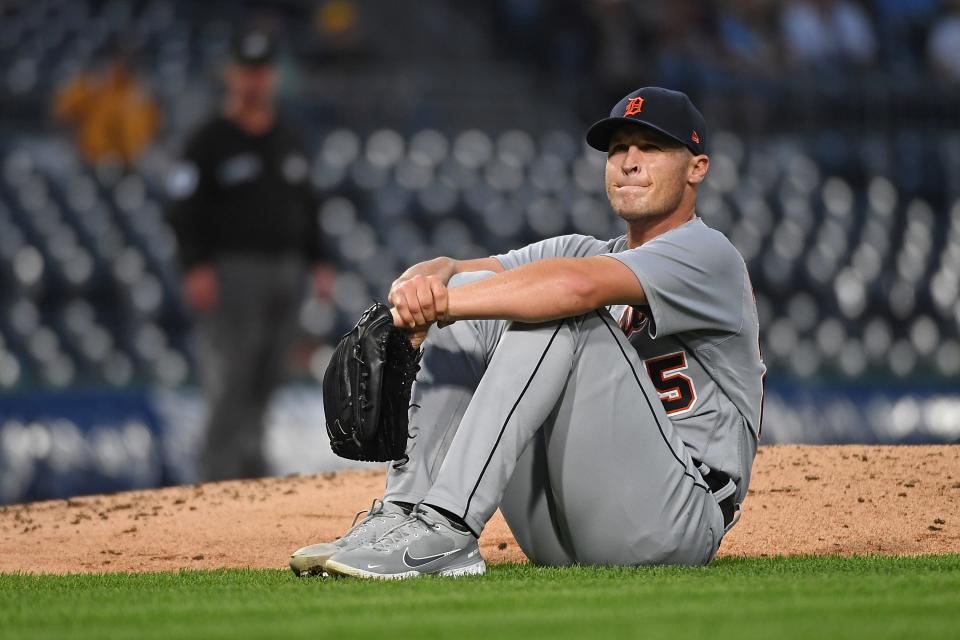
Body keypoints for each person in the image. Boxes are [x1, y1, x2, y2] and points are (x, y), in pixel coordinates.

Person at [290, 87, 764, 578]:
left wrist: (445, 304)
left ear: (697, 167)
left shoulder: (709, 255)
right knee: (484, 295)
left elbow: (573, 288)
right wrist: (426, 279)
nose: (629, 161)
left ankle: (448, 525)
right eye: (619, 148)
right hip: (566, 522)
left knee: (556, 310)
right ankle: (401, 516)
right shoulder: (588, 249)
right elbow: (457, 274)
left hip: (678, 517)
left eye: (651, 147)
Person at [166, 30, 330, 481]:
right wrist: (195, 265)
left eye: (262, 71)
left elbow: (309, 204)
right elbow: (182, 209)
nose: (255, 81)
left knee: (268, 377)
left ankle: (252, 477)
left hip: (286, 271)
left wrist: (319, 261)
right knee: (230, 380)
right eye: (247, 71)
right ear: (232, 75)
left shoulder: (290, 137)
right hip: (231, 273)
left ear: (273, 77)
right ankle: (216, 476)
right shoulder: (209, 140)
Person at [54, 47, 159, 166]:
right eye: (117, 61)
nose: (120, 66)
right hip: (91, 157)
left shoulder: (138, 94)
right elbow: (62, 111)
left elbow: (149, 132)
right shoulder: (93, 85)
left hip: (129, 162)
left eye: (125, 62)